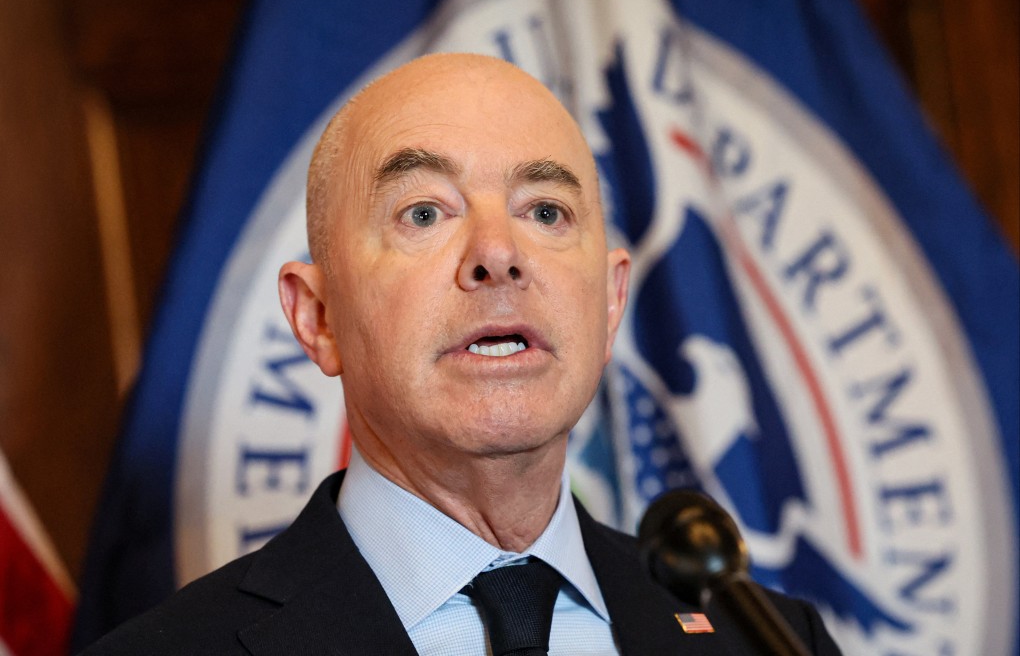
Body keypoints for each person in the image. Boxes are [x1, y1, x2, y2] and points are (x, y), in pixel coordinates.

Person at [81, 53, 842, 655]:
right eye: (423, 212)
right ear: (318, 318)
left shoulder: (767, 642)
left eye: (545, 211)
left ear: (610, 305)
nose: (498, 254)